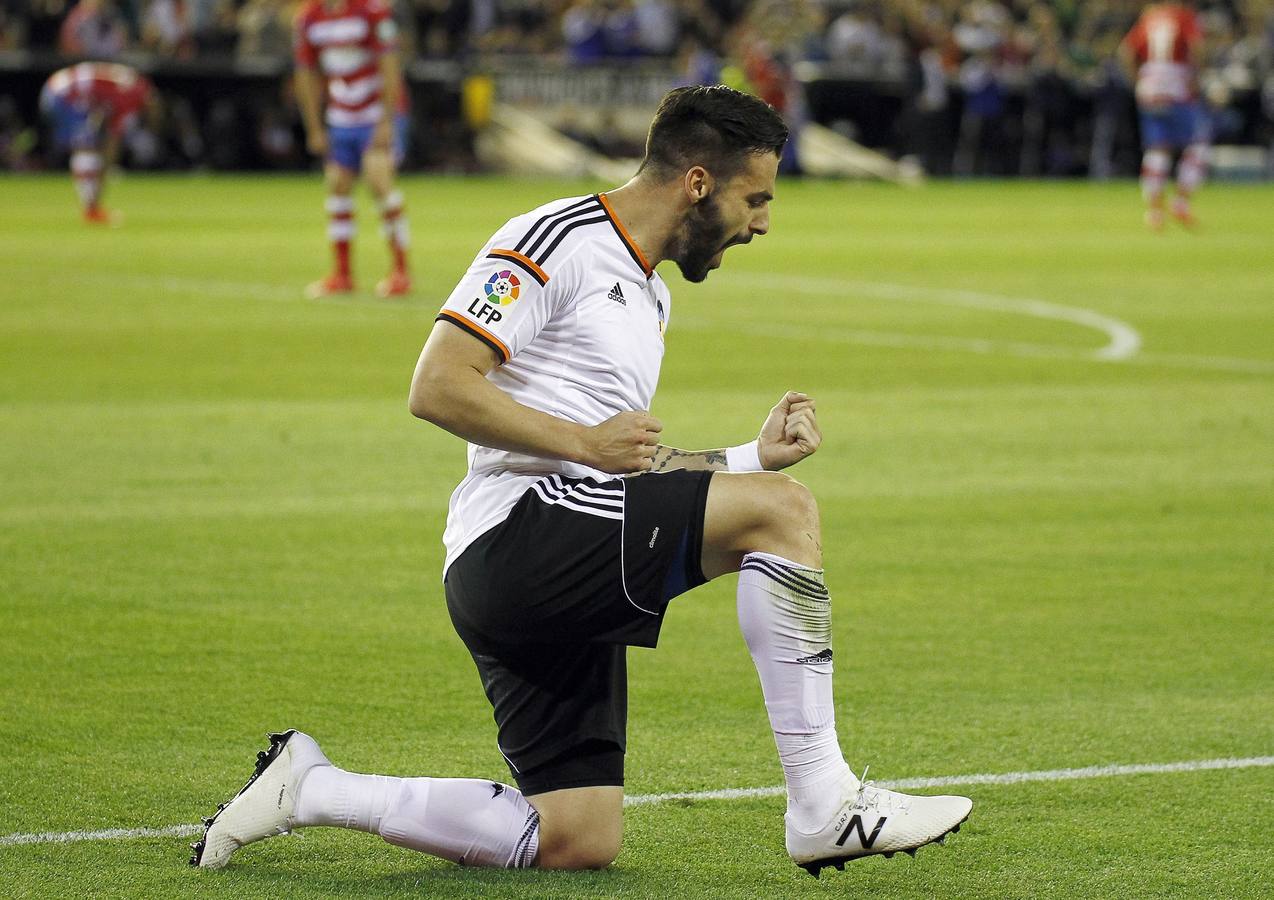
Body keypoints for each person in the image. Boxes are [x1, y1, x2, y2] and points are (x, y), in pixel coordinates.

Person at [190, 85, 972, 879]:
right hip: (518, 535)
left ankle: (312, 787)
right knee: (785, 517)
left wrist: (746, 461)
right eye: (756, 197)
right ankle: (826, 803)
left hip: (553, 548)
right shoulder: (558, 237)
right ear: (699, 182)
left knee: (574, 836)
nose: (762, 223)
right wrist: (589, 445)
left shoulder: (652, 295)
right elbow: (438, 385)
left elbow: (619, 465)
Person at [294, 0, 412, 299]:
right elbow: (306, 72)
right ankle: (342, 274)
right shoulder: (309, 17)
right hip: (341, 115)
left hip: (375, 112)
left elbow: (390, 64)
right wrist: (315, 127)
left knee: (379, 181)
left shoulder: (372, 11)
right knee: (337, 186)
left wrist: (386, 120)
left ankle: (400, 271)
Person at [1119, 2, 1210, 229]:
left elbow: (1126, 51)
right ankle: (1181, 201)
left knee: (1157, 148)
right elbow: (1198, 47)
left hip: (1150, 86)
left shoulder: (1149, 17)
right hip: (1176, 86)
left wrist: (1137, 81)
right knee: (1198, 143)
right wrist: (1197, 76)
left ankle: (1154, 212)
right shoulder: (1184, 16)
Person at [39, 61, 155, 224]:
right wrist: (107, 168)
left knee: (87, 145)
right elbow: (113, 141)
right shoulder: (132, 96)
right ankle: (92, 210)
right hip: (62, 95)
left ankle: (92, 208)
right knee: (86, 148)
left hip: (57, 89)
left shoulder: (131, 84)